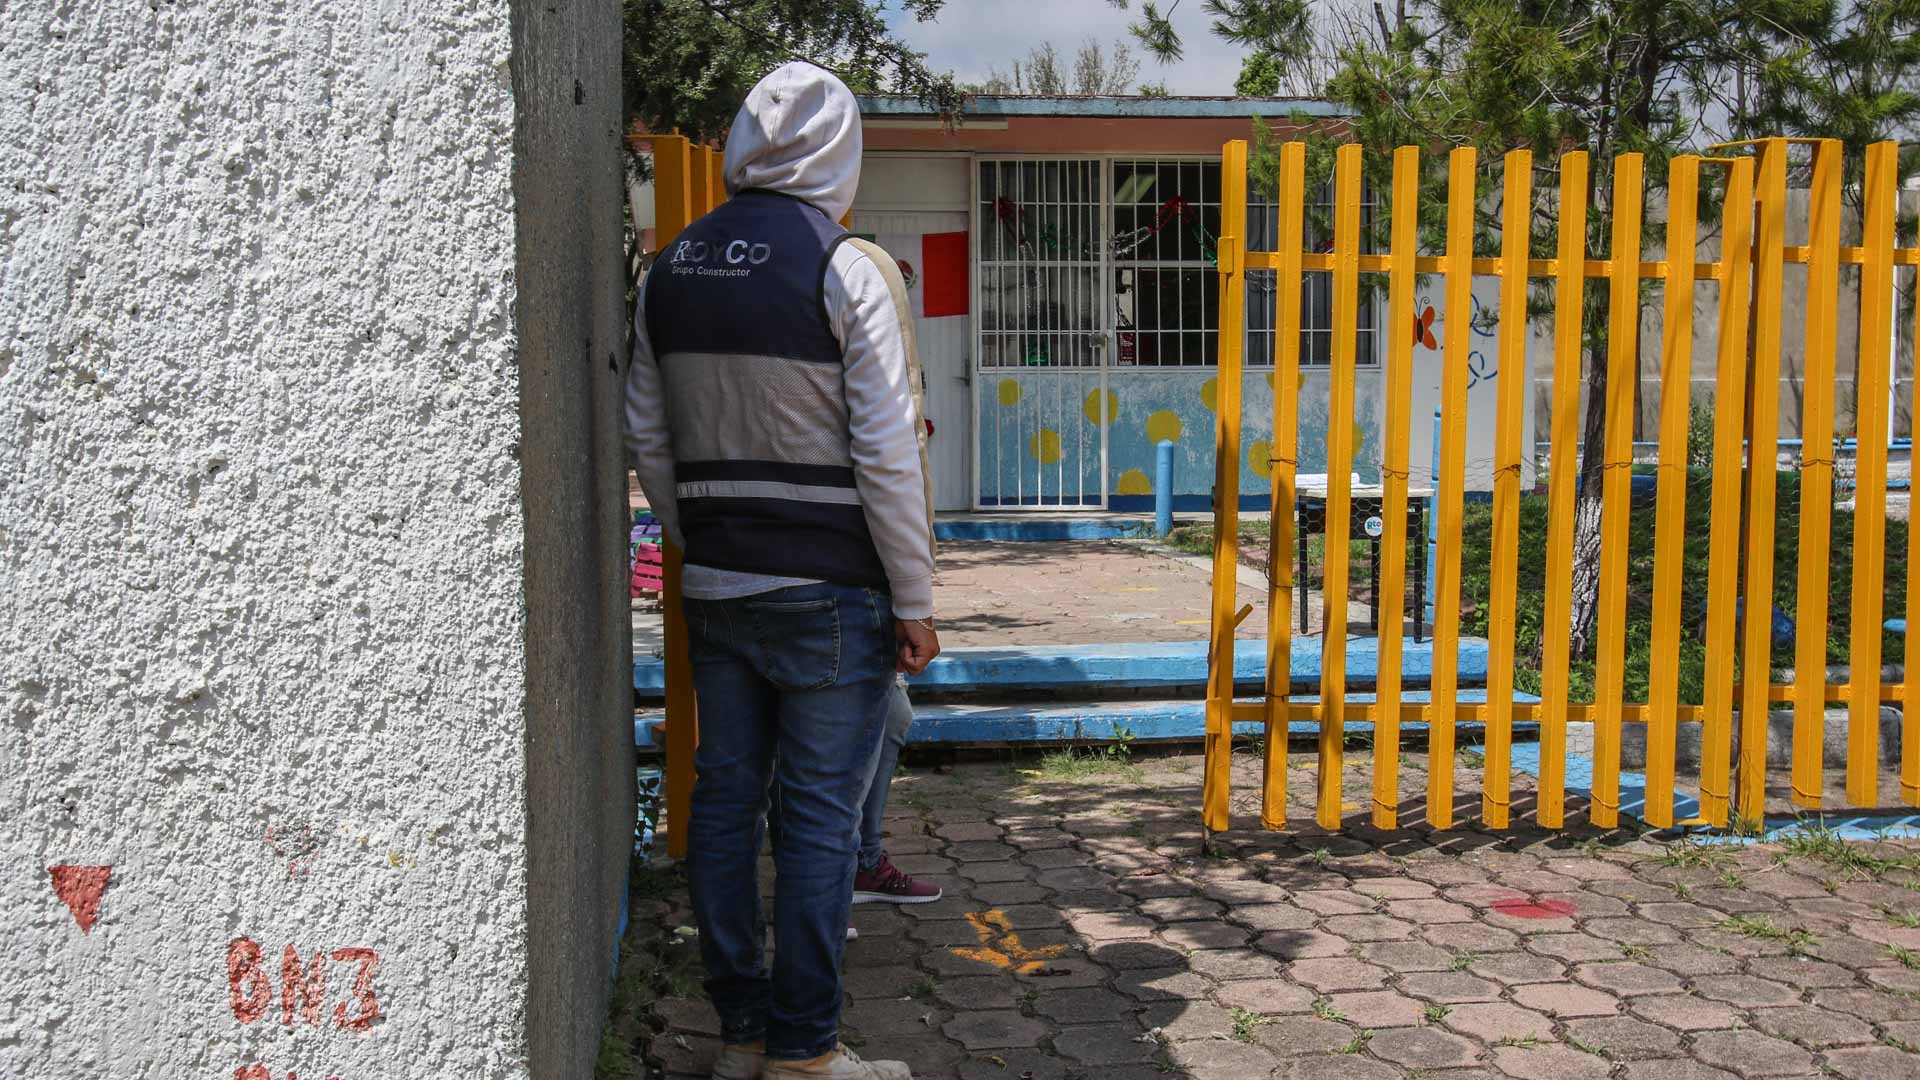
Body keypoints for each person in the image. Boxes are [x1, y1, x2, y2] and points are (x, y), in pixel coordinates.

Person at [625, 61, 939, 1080]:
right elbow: (888, 450)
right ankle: (804, 1054)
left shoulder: (669, 269)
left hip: (718, 584)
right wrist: (916, 597)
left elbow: (647, 434)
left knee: (723, 806)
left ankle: (742, 1037)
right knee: (816, 822)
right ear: (841, 149)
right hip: (833, 595)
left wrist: (702, 536)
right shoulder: (844, 267)